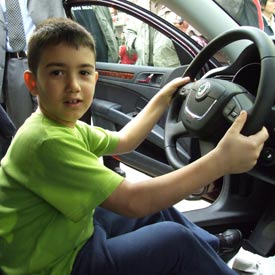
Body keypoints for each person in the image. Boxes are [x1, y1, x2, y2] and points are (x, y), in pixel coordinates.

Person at [0, 18, 268, 275]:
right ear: (33, 83)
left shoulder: (60, 125)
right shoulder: (46, 141)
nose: (73, 86)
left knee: (159, 208)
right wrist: (220, 161)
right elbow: (135, 201)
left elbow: (124, 140)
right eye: (57, 72)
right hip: (56, 265)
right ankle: (200, 254)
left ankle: (209, 250)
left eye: (83, 72)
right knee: (175, 242)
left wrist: (162, 99)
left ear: (94, 79)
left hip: (64, 235)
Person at [71, 5, 126, 176]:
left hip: (105, 66)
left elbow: (107, 28)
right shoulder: (68, 5)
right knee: (81, 121)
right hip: (81, 69)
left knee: (108, 116)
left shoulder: (98, 4)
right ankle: (86, 163)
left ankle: (112, 163)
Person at [0, 0, 66, 129]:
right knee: (21, 125)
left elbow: (62, 25)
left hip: (45, 59)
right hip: (13, 66)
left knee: (54, 119)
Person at [125, 1, 182, 67]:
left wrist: (170, 44)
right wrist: (135, 43)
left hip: (170, 69)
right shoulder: (140, 5)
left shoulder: (179, 6)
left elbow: (192, 35)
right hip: (144, 69)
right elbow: (129, 32)